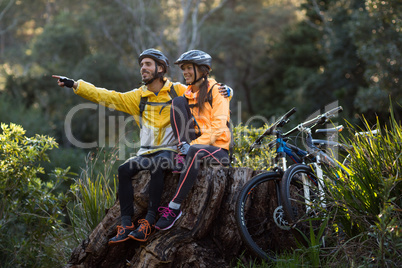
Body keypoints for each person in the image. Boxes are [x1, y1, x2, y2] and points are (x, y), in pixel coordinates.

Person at [52, 48, 232, 244]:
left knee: (160, 160)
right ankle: (127, 223)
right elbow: (107, 96)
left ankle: (151, 220)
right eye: (141, 65)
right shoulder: (138, 97)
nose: (142, 69)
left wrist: (227, 92)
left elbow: (205, 92)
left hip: (172, 151)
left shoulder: (177, 90)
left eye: (147, 64)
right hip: (147, 151)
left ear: (161, 68)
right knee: (123, 169)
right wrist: (76, 85)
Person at [154, 50, 231, 230]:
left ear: (203, 70)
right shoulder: (189, 93)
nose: (185, 72)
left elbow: (219, 128)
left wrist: (193, 146)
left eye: (189, 68)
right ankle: (183, 154)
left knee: (195, 151)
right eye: (183, 69)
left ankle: (174, 208)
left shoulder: (218, 91)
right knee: (177, 102)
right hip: (194, 146)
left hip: (219, 151)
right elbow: (165, 86)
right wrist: (187, 147)